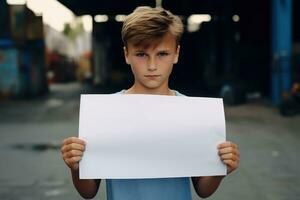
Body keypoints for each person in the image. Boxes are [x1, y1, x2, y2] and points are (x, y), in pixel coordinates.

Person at [61, 6, 240, 200]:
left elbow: (203, 190)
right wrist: (76, 166)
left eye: (162, 54)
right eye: (141, 54)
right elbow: (89, 192)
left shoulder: (191, 113)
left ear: (176, 53)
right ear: (126, 54)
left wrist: (220, 169)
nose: (152, 66)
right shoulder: (106, 113)